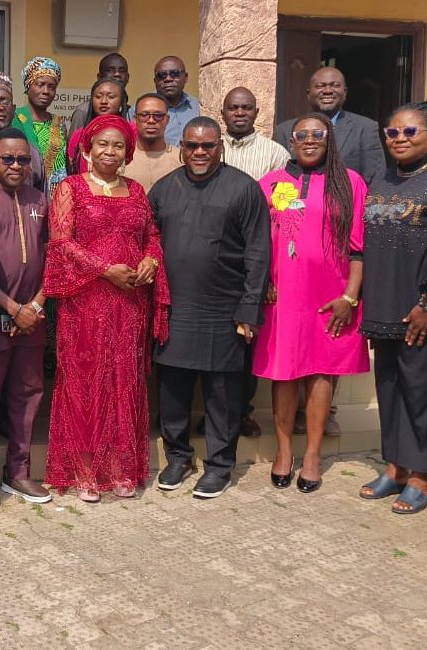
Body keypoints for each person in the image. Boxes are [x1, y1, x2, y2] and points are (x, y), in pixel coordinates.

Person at [44, 114, 170, 502]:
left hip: (129, 302)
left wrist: (150, 260)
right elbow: (61, 242)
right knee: (85, 381)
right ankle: (85, 471)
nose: (110, 151)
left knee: (123, 380)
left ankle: (120, 468)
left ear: (128, 152)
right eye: (102, 144)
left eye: (118, 145)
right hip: (86, 301)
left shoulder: (136, 191)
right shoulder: (71, 188)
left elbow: (151, 235)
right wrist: (104, 269)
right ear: (87, 148)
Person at [358, 102, 427, 515]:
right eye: (393, 132)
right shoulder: (379, 177)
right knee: (389, 389)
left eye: (410, 132)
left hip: (420, 309)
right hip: (382, 303)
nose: (400, 139)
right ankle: (395, 467)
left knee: (420, 391)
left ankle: (421, 474)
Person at [150, 117, 271, 498]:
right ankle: (177, 458)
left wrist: (249, 310)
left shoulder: (244, 189)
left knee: (222, 395)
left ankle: (219, 465)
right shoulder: (164, 189)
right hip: (175, 308)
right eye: (192, 145)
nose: (199, 152)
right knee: (173, 391)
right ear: (182, 148)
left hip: (224, 309)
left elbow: (258, 253)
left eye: (207, 145)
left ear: (220, 146)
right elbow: (149, 244)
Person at [254, 113, 369, 494]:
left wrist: (350, 296)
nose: (308, 139)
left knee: (322, 371)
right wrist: (263, 282)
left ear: (329, 138)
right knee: (284, 371)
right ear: (290, 142)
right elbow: (257, 241)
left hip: (331, 295)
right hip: (282, 293)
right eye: (300, 134)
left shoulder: (350, 182)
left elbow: (359, 246)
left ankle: (313, 454)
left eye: (317, 133)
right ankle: (284, 450)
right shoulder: (271, 183)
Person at [0, 127, 52, 512]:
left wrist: (34, 306)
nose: (16, 166)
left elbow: (54, 257)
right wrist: (11, 307)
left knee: (27, 394)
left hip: (33, 318)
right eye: (8, 159)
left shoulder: (41, 199)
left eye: (23, 159)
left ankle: (18, 471)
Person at [219, 86, 290, 439]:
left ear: (256, 112)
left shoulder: (276, 154)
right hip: (216, 258)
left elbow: (283, 216)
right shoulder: (209, 145)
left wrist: (268, 276)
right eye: (233, 108)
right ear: (222, 113)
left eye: (246, 107)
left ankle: (242, 412)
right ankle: (215, 413)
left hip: (254, 255)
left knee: (245, 341)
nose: (239, 113)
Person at [274, 67, 385, 185]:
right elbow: (277, 177)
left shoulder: (365, 128)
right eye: (320, 86)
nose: (327, 90)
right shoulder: (285, 131)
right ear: (308, 93)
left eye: (335, 85)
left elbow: (376, 177)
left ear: (345, 92)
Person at [12, 56, 68, 192]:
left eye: (51, 86)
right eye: (40, 84)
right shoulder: (15, 118)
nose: (46, 91)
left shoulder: (59, 123)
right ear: (28, 85)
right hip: (26, 192)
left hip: (59, 194)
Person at [127, 57, 199, 145]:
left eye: (174, 74)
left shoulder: (199, 107)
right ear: (155, 81)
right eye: (161, 75)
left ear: (186, 77)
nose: (168, 79)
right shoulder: (139, 110)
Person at [66, 78, 128, 174]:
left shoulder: (131, 134)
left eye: (111, 97)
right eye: (98, 97)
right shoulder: (79, 135)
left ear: (121, 102)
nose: (103, 101)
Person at [124, 93, 182, 193]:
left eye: (158, 116)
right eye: (144, 115)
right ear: (135, 120)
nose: (151, 121)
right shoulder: (121, 158)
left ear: (167, 120)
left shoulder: (181, 159)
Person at [69, 53, 130, 134]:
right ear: (99, 77)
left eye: (122, 71)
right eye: (110, 70)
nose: (117, 74)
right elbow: (74, 141)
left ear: (128, 77)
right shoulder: (83, 112)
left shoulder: (131, 112)